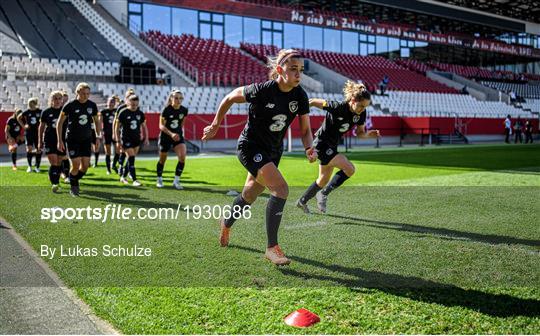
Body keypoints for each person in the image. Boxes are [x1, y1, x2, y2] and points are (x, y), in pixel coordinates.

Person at [202, 49, 317, 265]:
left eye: (301, 70)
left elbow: (305, 130)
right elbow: (229, 98)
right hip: (250, 147)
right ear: (280, 69)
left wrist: (309, 148)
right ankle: (272, 248)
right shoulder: (262, 90)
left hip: (273, 151)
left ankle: (225, 223)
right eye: (293, 69)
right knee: (281, 189)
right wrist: (216, 123)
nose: (298, 74)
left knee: (250, 193)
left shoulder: (300, 95)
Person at [297, 81, 380, 214]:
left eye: (365, 107)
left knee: (323, 179)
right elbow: (312, 101)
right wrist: (298, 110)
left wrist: (368, 135)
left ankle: (302, 201)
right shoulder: (338, 106)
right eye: (360, 106)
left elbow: (359, 133)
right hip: (322, 144)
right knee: (349, 168)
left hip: (332, 146)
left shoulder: (361, 114)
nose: (362, 109)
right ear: (353, 100)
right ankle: (323, 194)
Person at [56, 83, 100, 197]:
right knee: (75, 164)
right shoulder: (70, 106)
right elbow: (59, 123)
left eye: (88, 94)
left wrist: (98, 137)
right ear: (78, 92)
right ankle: (74, 188)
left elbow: (97, 121)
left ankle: (73, 179)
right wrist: (59, 140)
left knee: (85, 167)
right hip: (72, 139)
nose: (86, 96)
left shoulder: (92, 105)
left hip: (86, 139)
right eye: (84, 93)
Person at [156, 90, 189, 189]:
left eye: (180, 98)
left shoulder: (184, 110)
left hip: (177, 136)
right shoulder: (166, 110)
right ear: (171, 98)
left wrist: (178, 133)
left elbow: (182, 124)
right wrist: (171, 134)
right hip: (165, 137)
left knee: (182, 157)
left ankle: (176, 181)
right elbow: (161, 126)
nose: (178, 100)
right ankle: (159, 179)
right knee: (162, 160)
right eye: (176, 98)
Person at [114, 94, 149, 186]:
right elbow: (116, 127)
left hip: (136, 139)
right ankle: (134, 180)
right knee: (131, 157)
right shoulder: (123, 112)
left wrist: (146, 138)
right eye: (132, 104)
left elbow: (144, 126)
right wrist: (117, 140)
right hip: (126, 139)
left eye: (136, 105)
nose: (134, 106)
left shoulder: (140, 113)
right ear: (128, 102)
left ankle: (123, 177)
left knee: (130, 159)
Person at [38, 91, 66, 193]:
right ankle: (54, 183)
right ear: (51, 100)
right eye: (55, 98)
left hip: (62, 141)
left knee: (59, 162)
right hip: (49, 140)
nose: (58, 101)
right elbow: (41, 127)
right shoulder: (46, 112)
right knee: (54, 162)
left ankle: (55, 180)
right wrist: (39, 141)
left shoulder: (65, 112)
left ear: (62, 100)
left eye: (59, 99)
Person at [113, 89, 135, 176]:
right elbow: (115, 122)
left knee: (131, 153)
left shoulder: (136, 107)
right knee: (124, 151)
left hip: (133, 134)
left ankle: (126, 169)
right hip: (123, 133)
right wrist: (114, 134)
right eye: (129, 96)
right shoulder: (121, 108)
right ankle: (121, 167)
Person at [17, 98, 42, 173]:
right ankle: (30, 166)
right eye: (29, 104)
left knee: (38, 150)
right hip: (29, 133)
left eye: (31, 103)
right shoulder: (26, 112)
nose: (30, 105)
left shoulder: (40, 111)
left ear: (35, 103)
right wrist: (24, 126)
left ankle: (37, 167)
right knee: (29, 149)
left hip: (38, 133)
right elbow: (18, 118)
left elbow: (44, 120)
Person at [99, 96, 118, 174]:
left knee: (118, 151)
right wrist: (100, 133)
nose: (111, 104)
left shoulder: (117, 111)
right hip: (107, 133)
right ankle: (108, 169)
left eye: (113, 102)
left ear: (115, 103)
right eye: (110, 102)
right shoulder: (103, 111)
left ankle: (113, 164)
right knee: (108, 152)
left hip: (115, 133)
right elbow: (100, 123)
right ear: (107, 102)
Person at [60, 91, 70, 182]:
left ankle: (66, 175)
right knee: (58, 157)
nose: (64, 102)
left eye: (66, 100)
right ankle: (60, 172)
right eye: (63, 99)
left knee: (64, 156)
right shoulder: (56, 109)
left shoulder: (69, 109)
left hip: (65, 136)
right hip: (56, 136)